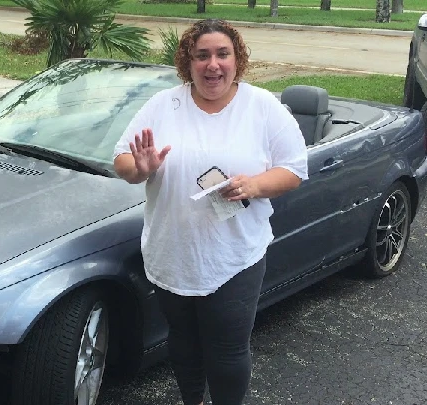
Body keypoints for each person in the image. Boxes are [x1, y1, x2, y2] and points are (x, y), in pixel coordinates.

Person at [112, 19, 308, 405]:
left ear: (238, 60)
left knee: (227, 349)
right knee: (182, 343)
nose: (212, 65)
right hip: (172, 251)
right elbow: (122, 162)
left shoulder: (261, 106)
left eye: (222, 54)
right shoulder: (164, 104)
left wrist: (254, 185)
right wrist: (142, 169)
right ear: (188, 61)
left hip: (234, 256)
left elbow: (294, 169)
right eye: (202, 55)